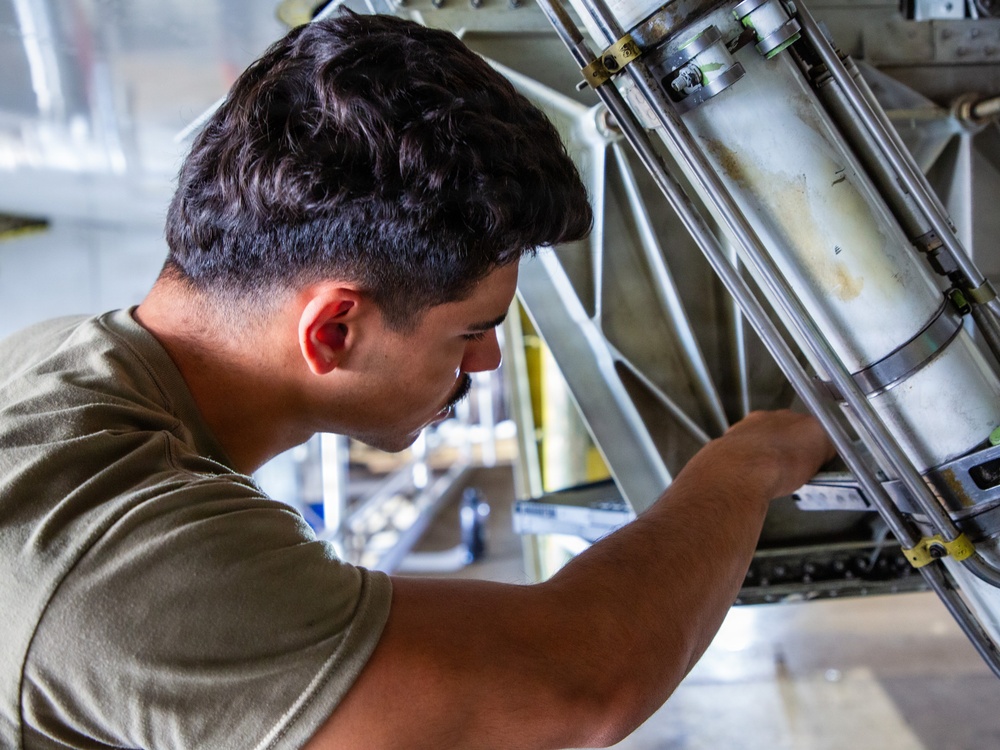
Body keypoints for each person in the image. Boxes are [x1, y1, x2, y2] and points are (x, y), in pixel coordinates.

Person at [0, 10, 834, 750]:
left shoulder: (53, 363)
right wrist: (749, 463)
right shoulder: (118, 559)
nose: (487, 362)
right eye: (470, 332)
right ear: (333, 330)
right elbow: (575, 681)